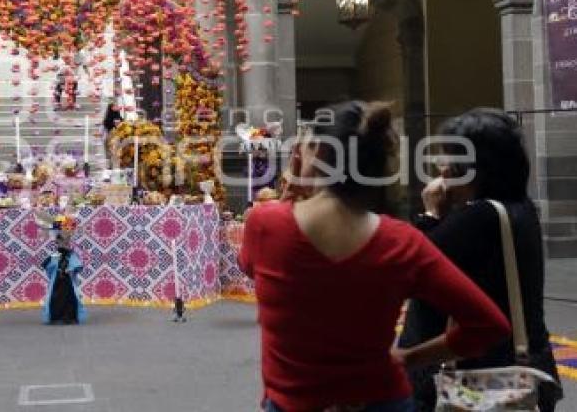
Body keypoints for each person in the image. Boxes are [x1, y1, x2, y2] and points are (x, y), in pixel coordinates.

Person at [239, 101, 511, 412]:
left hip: (293, 403)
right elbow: (488, 325)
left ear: (317, 156)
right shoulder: (401, 242)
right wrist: (410, 357)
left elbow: (248, 265)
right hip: (380, 400)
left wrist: (290, 193)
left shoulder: (266, 224)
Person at [398, 108, 563, 412]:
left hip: (478, 382)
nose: (442, 170)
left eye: (448, 160)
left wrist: (430, 213)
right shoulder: (520, 208)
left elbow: (414, 270)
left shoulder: (480, 218)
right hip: (523, 372)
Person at [41, 226, 86, 325]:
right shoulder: (55, 255)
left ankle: (69, 317)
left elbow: (77, 265)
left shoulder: (71, 254)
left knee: (70, 298)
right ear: (57, 243)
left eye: (66, 242)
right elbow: (47, 265)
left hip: (67, 281)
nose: (64, 244)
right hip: (58, 281)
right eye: (61, 242)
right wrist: (54, 271)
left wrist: (72, 269)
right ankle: (56, 317)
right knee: (56, 298)